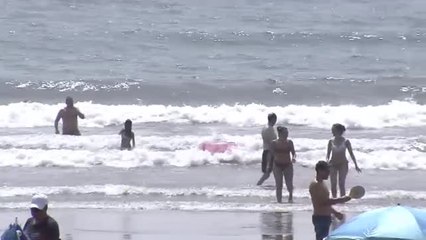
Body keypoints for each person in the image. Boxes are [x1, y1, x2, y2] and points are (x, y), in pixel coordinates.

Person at [309, 161, 352, 240]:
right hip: (320, 218)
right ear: (320, 170)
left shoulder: (321, 183)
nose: (329, 173)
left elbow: (325, 204)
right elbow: (325, 202)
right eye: (327, 171)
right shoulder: (316, 184)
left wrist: (335, 213)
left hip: (324, 217)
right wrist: (342, 199)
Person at [326, 123, 361, 198]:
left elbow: (351, 154)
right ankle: (334, 200)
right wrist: (327, 163)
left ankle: (342, 201)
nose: (332, 132)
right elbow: (328, 155)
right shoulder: (330, 141)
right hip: (332, 164)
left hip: (343, 164)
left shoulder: (346, 141)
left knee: (341, 184)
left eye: (333, 130)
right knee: (333, 184)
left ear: (338, 131)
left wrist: (356, 165)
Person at [271, 126, 296, 203]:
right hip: (277, 165)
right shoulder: (274, 143)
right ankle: (279, 202)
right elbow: (271, 155)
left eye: (287, 133)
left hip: (287, 165)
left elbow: (294, 153)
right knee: (279, 185)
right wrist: (269, 165)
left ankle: (290, 197)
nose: (287, 135)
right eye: (285, 133)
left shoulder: (289, 142)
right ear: (280, 134)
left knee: (289, 184)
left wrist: (293, 158)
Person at [257, 113, 278, 186]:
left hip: (266, 150)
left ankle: (278, 183)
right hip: (270, 152)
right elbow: (272, 142)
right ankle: (258, 184)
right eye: (275, 119)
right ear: (273, 119)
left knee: (272, 171)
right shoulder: (270, 129)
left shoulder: (265, 128)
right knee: (268, 172)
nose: (276, 121)